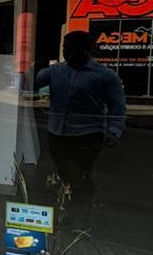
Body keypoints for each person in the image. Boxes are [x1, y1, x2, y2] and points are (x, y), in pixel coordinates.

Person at [35, 29, 126, 212]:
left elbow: (118, 106)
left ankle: (80, 212)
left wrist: (114, 131)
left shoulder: (105, 75)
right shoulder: (56, 71)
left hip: (87, 135)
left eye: (73, 48)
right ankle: (69, 202)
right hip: (57, 133)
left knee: (80, 174)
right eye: (65, 48)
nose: (68, 52)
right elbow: (35, 80)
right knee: (64, 171)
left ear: (87, 50)